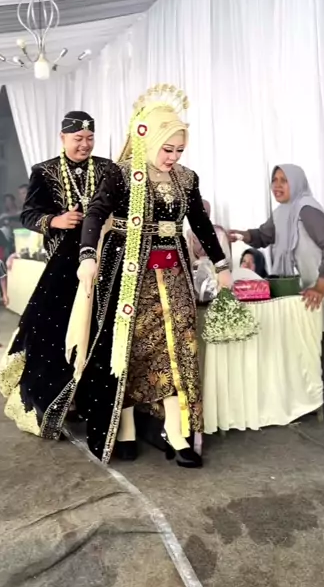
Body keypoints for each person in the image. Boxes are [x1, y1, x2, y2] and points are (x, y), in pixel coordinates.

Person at [74, 85, 231, 467]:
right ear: (150, 139)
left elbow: (200, 223)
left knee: (178, 349)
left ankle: (176, 433)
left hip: (174, 276)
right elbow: (95, 214)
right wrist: (88, 255)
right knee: (127, 348)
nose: (173, 157)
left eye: (179, 150)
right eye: (167, 149)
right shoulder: (121, 174)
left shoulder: (186, 179)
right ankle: (125, 428)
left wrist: (221, 264)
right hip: (129, 276)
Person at [0, 111, 111, 438]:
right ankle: (53, 402)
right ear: (62, 138)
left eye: (90, 138)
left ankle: (90, 402)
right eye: (78, 139)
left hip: (104, 261)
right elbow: (28, 215)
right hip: (62, 265)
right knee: (55, 333)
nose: (85, 144)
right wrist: (55, 221)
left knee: (97, 332)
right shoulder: (44, 172)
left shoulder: (107, 169)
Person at [228, 164, 324, 331]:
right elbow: (264, 235)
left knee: (305, 329)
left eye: (284, 180)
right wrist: (240, 235)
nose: (277, 185)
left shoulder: (307, 209)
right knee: (294, 325)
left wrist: (319, 288)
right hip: (314, 286)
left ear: (297, 183)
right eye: (274, 180)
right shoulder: (282, 213)